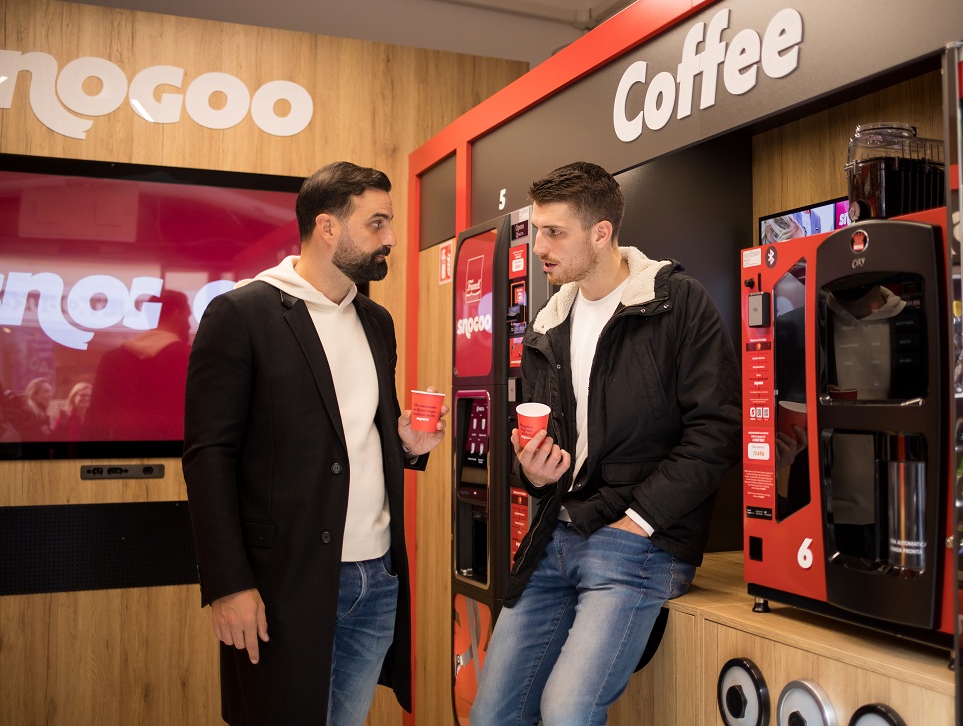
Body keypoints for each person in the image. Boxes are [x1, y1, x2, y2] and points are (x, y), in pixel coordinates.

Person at [471, 161, 741, 725]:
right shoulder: (549, 321)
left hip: (638, 541)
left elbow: (716, 430)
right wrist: (535, 473)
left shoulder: (678, 302)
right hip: (555, 535)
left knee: (566, 711)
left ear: (601, 232)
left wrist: (639, 521)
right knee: (492, 715)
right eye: (538, 230)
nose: (539, 247)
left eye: (554, 232)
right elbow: (544, 449)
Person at [181, 161, 448, 726]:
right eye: (376, 223)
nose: (391, 238)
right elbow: (209, 459)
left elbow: (351, 436)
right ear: (327, 227)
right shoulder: (241, 314)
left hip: (377, 577)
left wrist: (405, 445)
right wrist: (228, 585)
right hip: (286, 581)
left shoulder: (376, 321)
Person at [84, 289, 192, 441]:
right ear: (176, 315)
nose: (189, 326)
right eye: (187, 317)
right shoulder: (191, 358)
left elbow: (96, 420)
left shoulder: (112, 359)